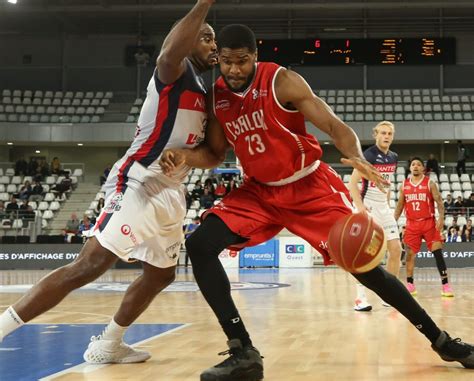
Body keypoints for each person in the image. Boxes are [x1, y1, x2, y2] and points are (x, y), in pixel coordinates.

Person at [160, 24, 474, 380]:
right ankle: (242, 350)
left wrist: (357, 156)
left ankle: (442, 341)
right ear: (219, 59)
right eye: (228, 62)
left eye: (242, 62)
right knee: (199, 245)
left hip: (307, 186)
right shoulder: (217, 97)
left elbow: (335, 126)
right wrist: (185, 156)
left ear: (255, 57)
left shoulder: (282, 81)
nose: (234, 70)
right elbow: (215, 153)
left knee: (367, 271)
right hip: (259, 191)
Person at [0, 0, 218, 366]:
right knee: (91, 264)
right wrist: (205, 4)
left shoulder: (205, 93)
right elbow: (168, 52)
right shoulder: (172, 74)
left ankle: (110, 343)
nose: (213, 45)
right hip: (139, 180)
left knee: (162, 275)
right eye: (206, 38)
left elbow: (212, 155)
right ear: (189, 40)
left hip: (172, 189)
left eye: (214, 40)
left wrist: (185, 158)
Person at [347, 121, 402, 311]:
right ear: (375, 135)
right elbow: (352, 184)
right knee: (365, 253)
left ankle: (390, 295)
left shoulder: (394, 157)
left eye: (390, 133)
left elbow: (385, 184)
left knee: (396, 249)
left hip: (383, 208)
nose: (387, 136)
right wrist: (360, 207)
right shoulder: (368, 155)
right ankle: (360, 298)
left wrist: (387, 202)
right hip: (367, 206)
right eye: (383, 133)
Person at [394, 157, 454, 297]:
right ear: (410, 168)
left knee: (438, 253)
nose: (415, 166)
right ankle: (410, 284)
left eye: (418, 164)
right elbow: (399, 206)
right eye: (413, 164)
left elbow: (439, 201)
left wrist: (441, 217)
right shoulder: (404, 185)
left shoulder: (430, 183)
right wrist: (392, 222)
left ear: (423, 169)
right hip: (412, 224)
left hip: (429, 223)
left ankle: (445, 285)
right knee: (409, 255)